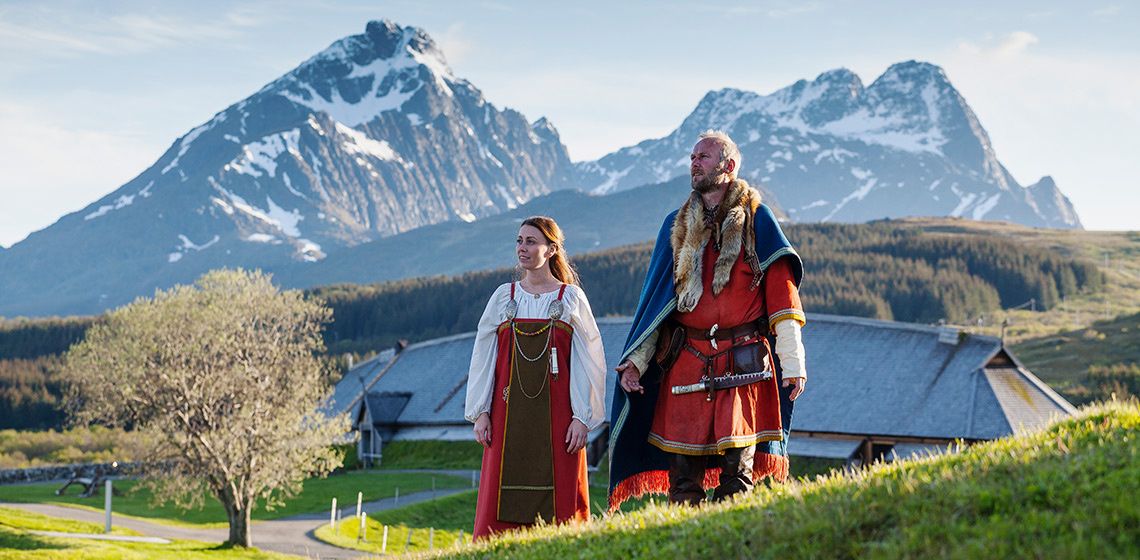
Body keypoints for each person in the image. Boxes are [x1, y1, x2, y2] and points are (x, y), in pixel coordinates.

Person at [607, 130, 807, 509]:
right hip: (686, 359)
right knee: (683, 474)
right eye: (693, 157)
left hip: (744, 361)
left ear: (728, 166)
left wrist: (793, 362)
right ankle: (685, 540)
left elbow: (783, 298)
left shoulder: (756, 219)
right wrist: (636, 362)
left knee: (737, 472)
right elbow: (659, 303)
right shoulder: (677, 224)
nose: (694, 163)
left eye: (704, 157)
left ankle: (730, 540)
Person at [465, 216, 608, 540]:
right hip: (506, 414)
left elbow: (590, 361)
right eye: (519, 241)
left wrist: (582, 418)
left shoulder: (570, 298)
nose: (522, 248)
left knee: (561, 509)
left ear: (551, 249)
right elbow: (483, 356)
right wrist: (481, 411)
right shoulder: (504, 297)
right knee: (499, 499)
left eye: (531, 241)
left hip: (559, 417)